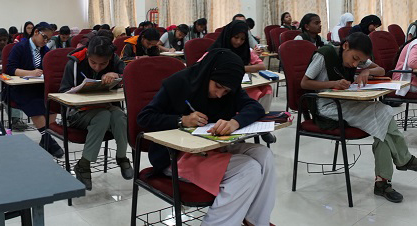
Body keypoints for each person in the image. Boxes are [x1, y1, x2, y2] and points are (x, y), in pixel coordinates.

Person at [138, 48, 275, 226]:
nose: (220, 95)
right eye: (217, 87)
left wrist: (235, 122)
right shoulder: (178, 83)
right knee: (248, 169)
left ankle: (255, 221)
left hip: (211, 147)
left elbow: (254, 107)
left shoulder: (228, 85)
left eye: (226, 92)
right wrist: (182, 120)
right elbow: (144, 117)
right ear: (208, 72)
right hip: (175, 155)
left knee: (264, 155)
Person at [301, 32, 417, 203]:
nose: (355, 64)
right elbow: (305, 83)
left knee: (383, 112)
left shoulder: (358, 57)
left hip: (346, 101)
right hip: (326, 106)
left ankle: (384, 181)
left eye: (359, 61)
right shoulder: (324, 55)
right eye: (354, 59)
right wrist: (332, 84)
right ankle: (400, 163)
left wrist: (366, 71)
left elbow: (381, 70)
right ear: (345, 46)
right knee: (381, 115)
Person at [59, 35, 133, 190]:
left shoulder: (114, 60)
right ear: (87, 55)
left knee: (119, 115)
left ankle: (121, 156)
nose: (98, 67)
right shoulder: (74, 62)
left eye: (103, 64)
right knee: (103, 116)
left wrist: (117, 75)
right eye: (93, 63)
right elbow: (63, 92)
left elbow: (129, 77)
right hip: (77, 112)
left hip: (104, 106)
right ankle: (84, 165)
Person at [4, 21, 64, 157]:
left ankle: (46, 138)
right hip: (20, 88)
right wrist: (30, 73)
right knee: (35, 103)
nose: (46, 41)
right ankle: (48, 139)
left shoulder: (45, 50)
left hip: (38, 86)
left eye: (49, 39)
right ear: (36, 32)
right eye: (44, 37)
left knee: (52, 100)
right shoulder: (20, 47)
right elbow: (10, 69)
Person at [0, 28, 30, 131]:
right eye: (0, 40)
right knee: (6, 93)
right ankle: (15, 119)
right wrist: (3, 61)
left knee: (16, 90)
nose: (2, 42)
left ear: (8, 39)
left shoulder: (12, 47)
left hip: (8, 76)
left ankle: (17, 119)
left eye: (4, 40)